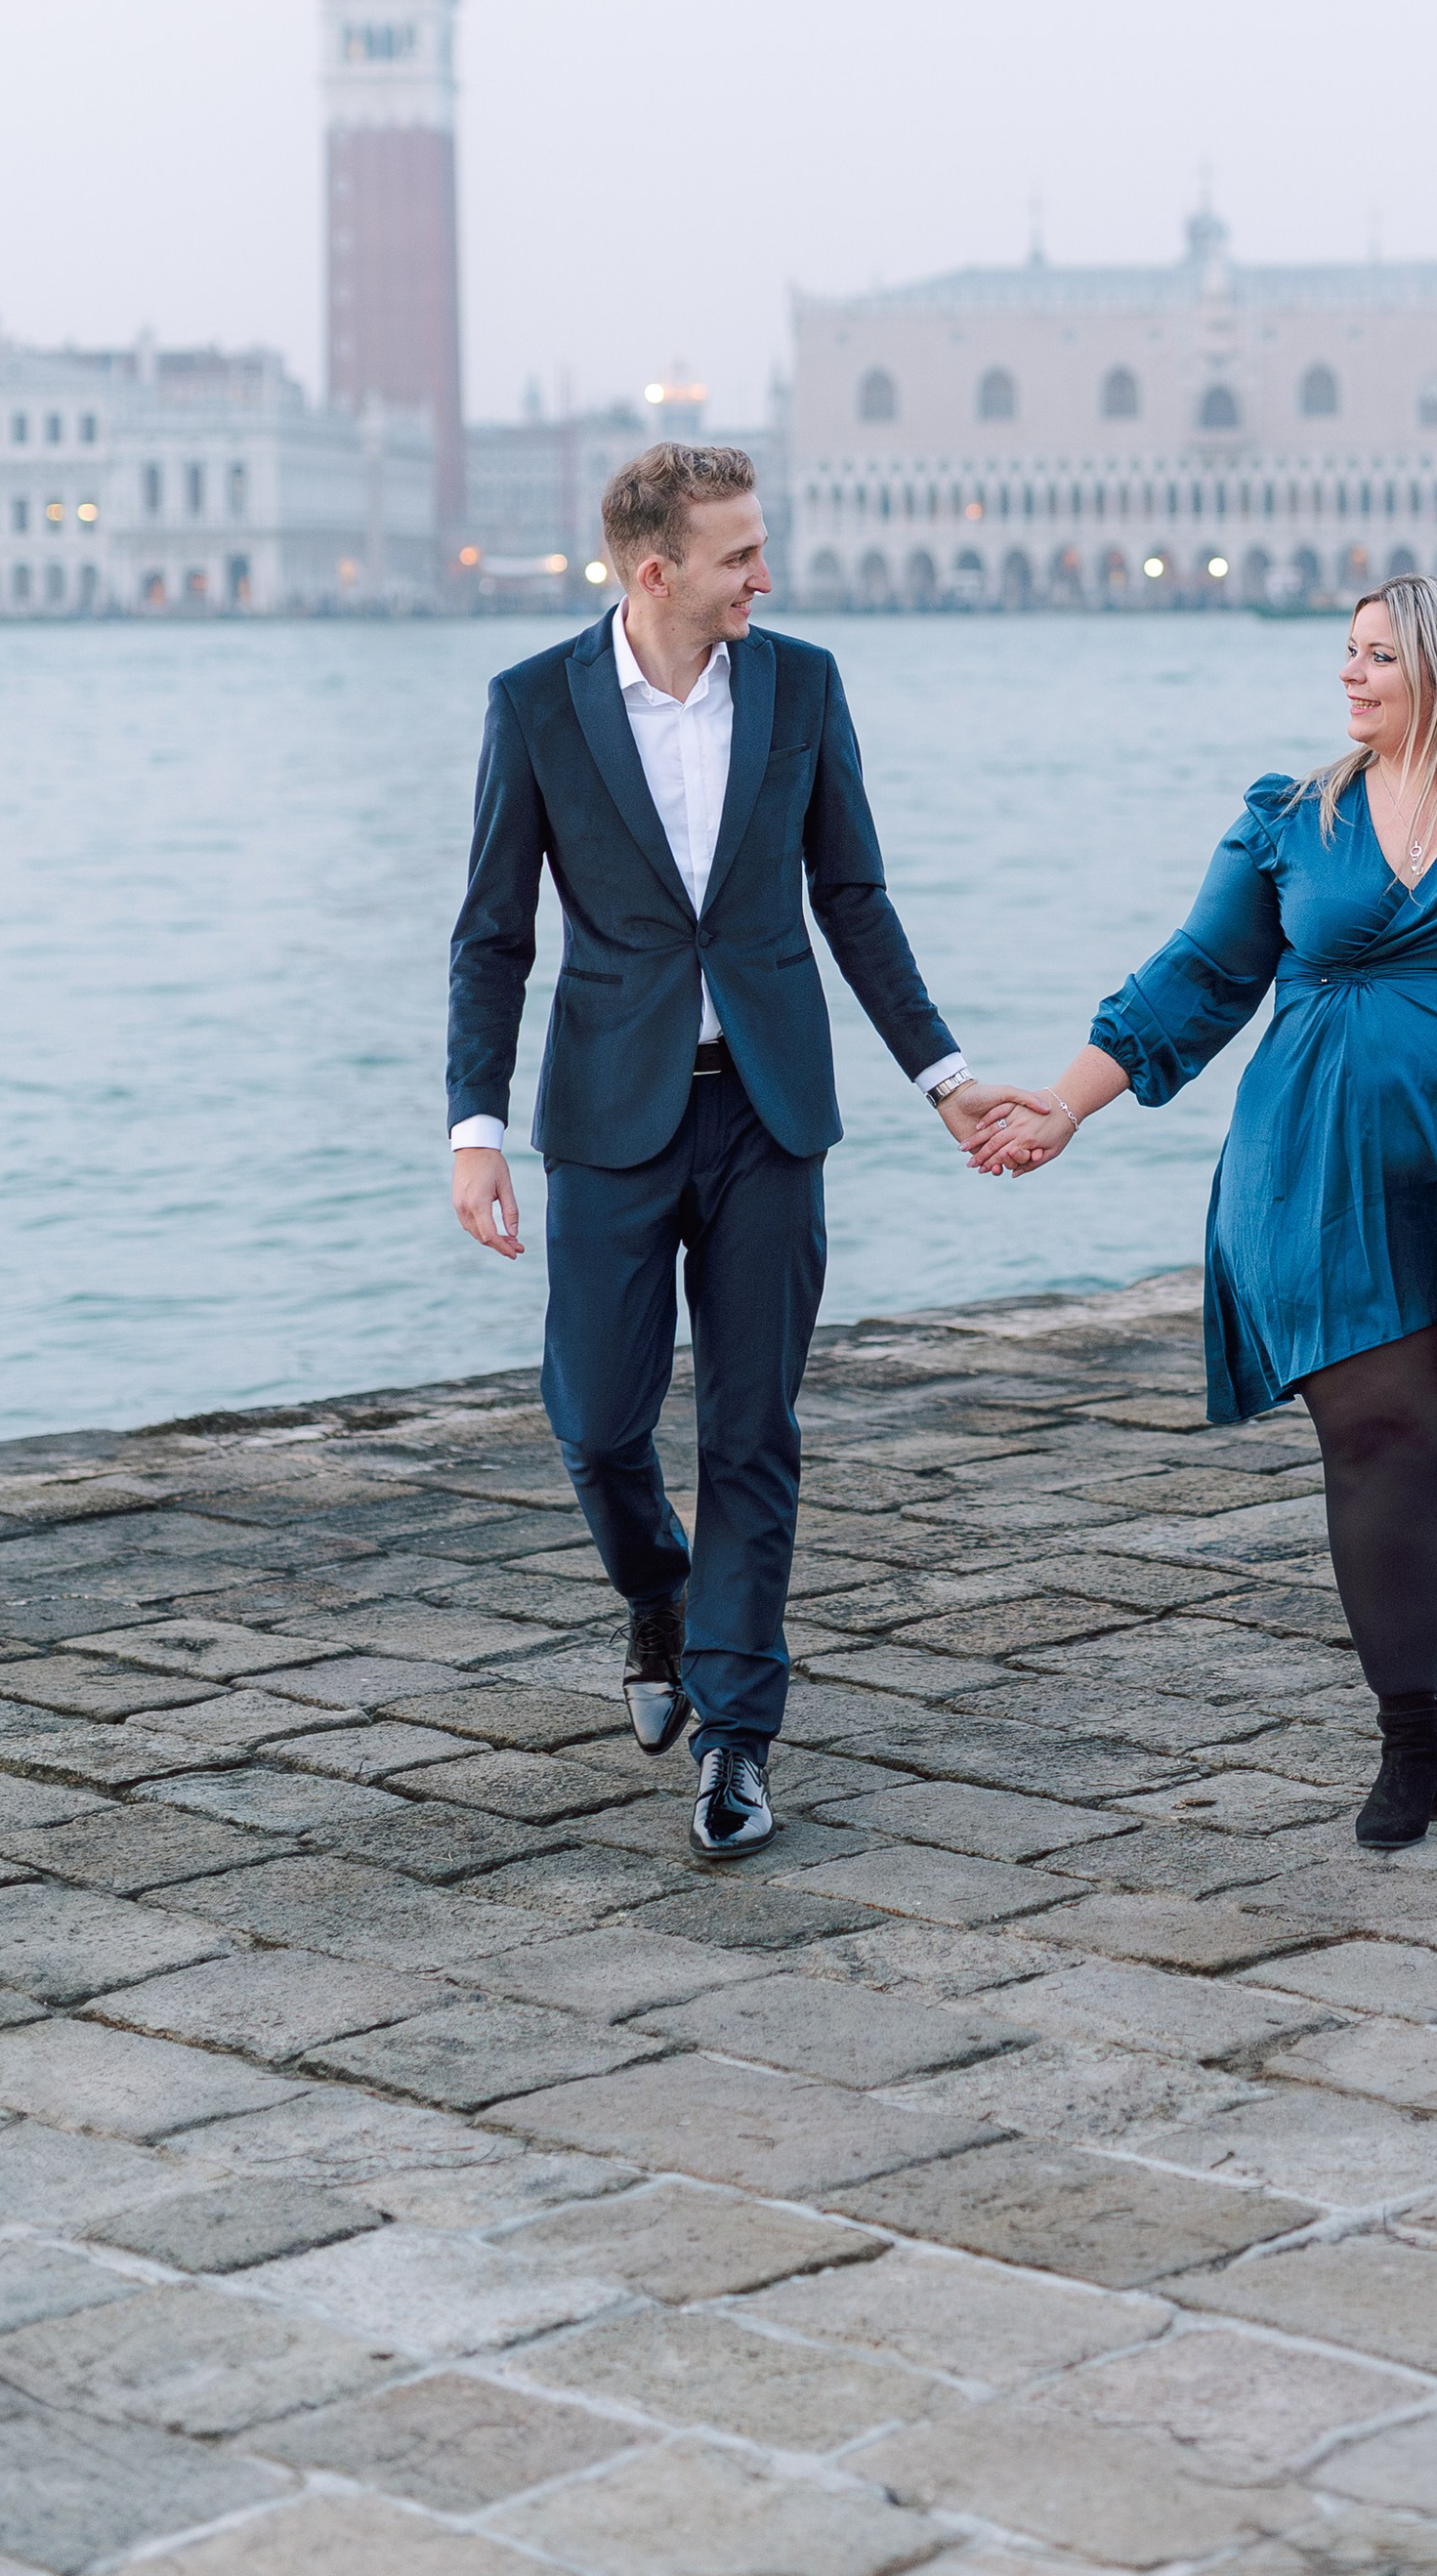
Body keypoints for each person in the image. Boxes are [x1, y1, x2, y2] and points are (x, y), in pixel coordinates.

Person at [969, 572, 1437, 1849]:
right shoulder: (1292, 819)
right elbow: (1196, 976)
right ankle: (1409, 1737)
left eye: (1378, 656)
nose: (1349, 675)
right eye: (1346, 653)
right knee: (1379, 1432)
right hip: (1320, 1174)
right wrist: (1067, 1105)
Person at [446, 442, 993, 1865]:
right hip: (611, 1121)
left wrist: (940, 1073)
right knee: (597, 1422)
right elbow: (493, 938)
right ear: (656, 571)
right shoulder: (534, 707)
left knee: (752, 1435)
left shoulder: (803, 686)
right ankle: (659, 1596)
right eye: (740, 553)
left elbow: (852, 896)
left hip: (768, 1112)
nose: (767, 573)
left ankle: (739, 1739)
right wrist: (474, 1131)